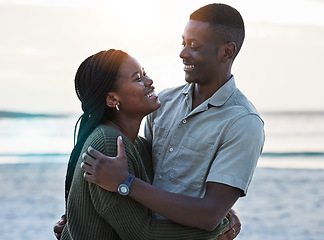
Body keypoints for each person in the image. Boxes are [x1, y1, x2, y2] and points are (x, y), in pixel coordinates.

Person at [78, 2, 264, 238]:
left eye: (194, 46)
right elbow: (143, 167)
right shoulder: (163, 102)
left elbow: (209, 215)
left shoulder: (243, 122)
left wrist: (125, 182)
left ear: (226, 52)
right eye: (183, 43)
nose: (183, 53)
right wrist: (78, 218)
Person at [58, 48, 238, 240]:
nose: (149, 81)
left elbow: (170, 191)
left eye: (144, 73)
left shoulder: (141, 146)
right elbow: (141, 234)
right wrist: (218, 230)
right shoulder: (108, 145)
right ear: (112, 99)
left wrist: (222, 212)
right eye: (137, 78)